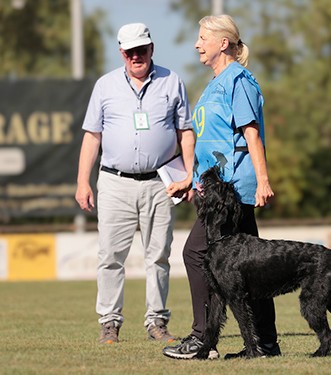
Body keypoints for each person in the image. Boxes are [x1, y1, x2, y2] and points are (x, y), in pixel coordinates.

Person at [163, 14, 280, 360]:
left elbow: (251, 134)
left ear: (223, 43)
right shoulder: (215, 82)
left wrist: (263, 180)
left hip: (232, 188)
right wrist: (190, 178)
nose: (197, 44)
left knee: (196, 253)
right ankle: (264, 343)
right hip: (214, 185)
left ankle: (203, 339)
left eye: (203, 38)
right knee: (250, 266)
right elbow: (211, 142)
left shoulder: (237, 81)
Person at [75, 22, 194, 344]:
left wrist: (190, 175)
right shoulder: (105, 85)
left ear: (152, 48)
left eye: (141, 50)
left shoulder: (173, 81)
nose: (136, 57)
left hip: (161, 182)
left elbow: (185, 131)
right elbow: (92, 136)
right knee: (110, 255)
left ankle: (157, 321)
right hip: (114, 182)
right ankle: (109, 322)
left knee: (158, 254)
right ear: (121, 52)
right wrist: (82, 182)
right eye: (129, 52)